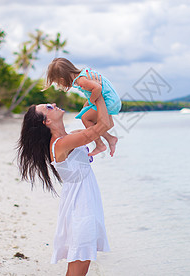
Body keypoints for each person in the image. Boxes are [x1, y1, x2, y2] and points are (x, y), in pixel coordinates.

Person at [17, 72, 112, 276]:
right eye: (48, 108)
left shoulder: (69, 137)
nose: (52, 103)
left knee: (82, 263)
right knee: (79, 266)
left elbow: (105, 125)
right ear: (46, 122)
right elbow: (102, 126)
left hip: (85, 201)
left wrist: (93, 93)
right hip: (81, 205)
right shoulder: (61, 144)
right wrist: (99, 93)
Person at [45, 58, 121, 157]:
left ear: (62, 79)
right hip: (113, 100)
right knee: (86, 114)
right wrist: (89, 103)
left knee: (85, 118)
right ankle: (110, 138)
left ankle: (100, 144)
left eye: (58, 83)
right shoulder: (84, 74)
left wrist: (93, 101)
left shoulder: (81, 80)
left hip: (108, 102)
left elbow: (97, 88)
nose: (61, 85)